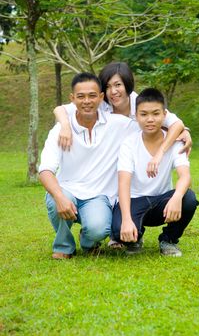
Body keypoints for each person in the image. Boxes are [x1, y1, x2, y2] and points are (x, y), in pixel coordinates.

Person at [53, 62, 191, 248]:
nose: (113, 92)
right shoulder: (99, 104)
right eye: (108, 86)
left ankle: (151, 235)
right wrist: (66, 126)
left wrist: (169, 145)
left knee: (185, 198)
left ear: (127, 84)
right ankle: (115, 229)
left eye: (118, 85)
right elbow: (60, 110)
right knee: (113, 200)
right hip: (110, 163)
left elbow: (175, 123)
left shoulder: (141, 103)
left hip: (139, 161)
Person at [39, 72, 139, 259]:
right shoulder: (60, 130)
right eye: (81, 96)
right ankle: (63, 245)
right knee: (55, 199)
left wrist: (183, 131)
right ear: (72, 99)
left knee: (99, 229)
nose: (87, 101)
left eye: (92, 96)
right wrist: (60, 196)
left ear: (101, 97)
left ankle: (88, 241)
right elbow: (45, 170)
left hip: (98, 196)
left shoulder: (118, 124)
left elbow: (152, 124)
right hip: (67, 189)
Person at [111, 88, 199, 256]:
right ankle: (136, 235)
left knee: (188, 198)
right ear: (136, 116)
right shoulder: (129, 144)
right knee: (119, 232)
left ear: (164, 114)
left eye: (155, 114)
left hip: (161, 201)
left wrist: (176, 197)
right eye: (143, 114)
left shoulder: (175, 142)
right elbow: (123, 183)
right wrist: (127, 220)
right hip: (135, 201)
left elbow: (185, 176)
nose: (150, 120)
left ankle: (168, 240)